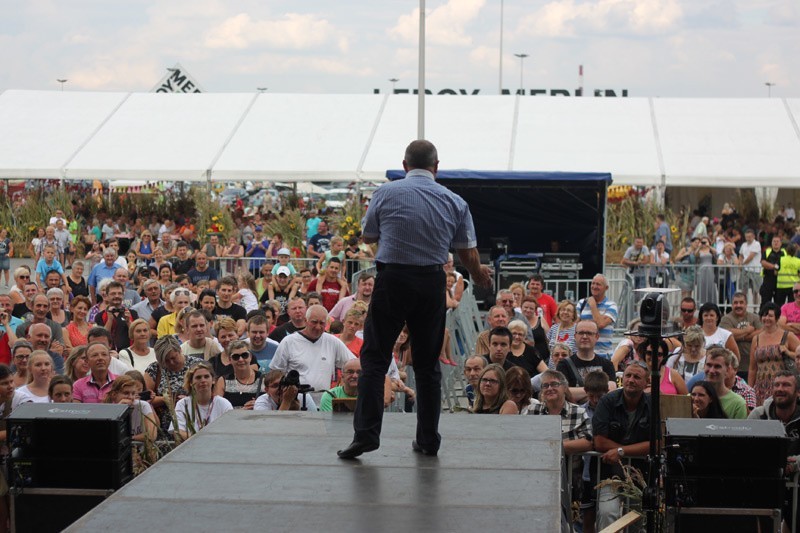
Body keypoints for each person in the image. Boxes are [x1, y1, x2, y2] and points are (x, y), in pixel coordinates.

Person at [339, 140, 492, 460]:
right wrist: (478, 276)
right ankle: (428, 438)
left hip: (393, 278)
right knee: (426, 365)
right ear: (436, 167)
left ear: (405, 165)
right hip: (430, 282)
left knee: (375, 359)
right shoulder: (454, 201)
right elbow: (467, 251)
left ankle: (366, 434)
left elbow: (368, 236)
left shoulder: (386, 193)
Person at [592, 361, 651, 529]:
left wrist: (621, 451)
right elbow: (599, 441)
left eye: (637, 377)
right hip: (609, 475)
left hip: (640, 476)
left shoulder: (652, 404)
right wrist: (635, 449)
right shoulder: (607, 401)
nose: (631, 380)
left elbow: (657, 443)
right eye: (628, 375)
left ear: (646, 382)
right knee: (607, 513)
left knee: (637, 519)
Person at [748, 370, 800, 531]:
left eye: (786, 385)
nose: (780, 389)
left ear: (798, 393)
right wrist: (773, 462)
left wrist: (797, 463)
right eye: (776, 385)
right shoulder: (759, 415)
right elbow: (745, 446)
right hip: (765, 479)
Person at [270, 305, 355, 392]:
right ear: (306, 321)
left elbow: (353, 364)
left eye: (322, 323)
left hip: (323, 401)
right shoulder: (289, 341)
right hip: (295, 401)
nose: (318, 327)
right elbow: (275, 373)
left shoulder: (333, 342)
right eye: (314, 322)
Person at [144, 336, 204, 434]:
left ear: (179, 350)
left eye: (173, 357)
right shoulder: (154, 369)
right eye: (166, 361)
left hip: (194, 426)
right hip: (164, 430)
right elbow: (145, 401)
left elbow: (208, 394)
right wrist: (165, 399)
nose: (171, 362)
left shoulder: (197, 365)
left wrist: (189, 400)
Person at [749, 302, 800, 406]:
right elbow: (752, 368)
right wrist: (750, 390)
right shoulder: (756, 339)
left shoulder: (787, 336)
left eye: (770, 315)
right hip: (761, 386)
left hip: (781, 386)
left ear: (777, 318)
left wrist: (788, 352)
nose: (766, 318)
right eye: (764, 315)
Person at [556, 321, 616, 404]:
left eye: (589, 333)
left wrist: (577, 393)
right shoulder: (564, 364)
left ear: (597, 337)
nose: (584, 336)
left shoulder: (607, 364)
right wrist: (600, 391)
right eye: (581, 333)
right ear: (575, 336)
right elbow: (563, 392)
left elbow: (612, 390)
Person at [171, 362, 233, 441]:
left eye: (206, 376)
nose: (203, 380)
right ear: (190, 382)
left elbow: (230, 431)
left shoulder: (223, 403)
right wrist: (199, 440)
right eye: (198, 377)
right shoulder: (183, 404)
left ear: (213, 380)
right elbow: (178, 431)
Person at [104, 374, 158, 443]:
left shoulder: (143, 406)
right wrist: (119, 410)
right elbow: (108, 437)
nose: (130, 397)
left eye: (133, 393)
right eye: (126, 393)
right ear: (114, 395)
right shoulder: (108, 410)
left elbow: (152, 435)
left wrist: (128, 439)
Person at [576, 274, 617, 359]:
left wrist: (593, 305)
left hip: (603, 355)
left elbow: (600, 324)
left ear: (606, 288)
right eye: (593, 283)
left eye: (598, 284)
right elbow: (576, 327)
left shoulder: (611, 305)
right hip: (584, 355)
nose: (594, 286)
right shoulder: (581, 303)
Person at [214, 340, 261, 409]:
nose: (241, 359)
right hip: (232, 419)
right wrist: (241, 411)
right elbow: (217, 409)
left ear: (250, 357)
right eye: (236, 357)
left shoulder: (263, 379)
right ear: (230, 360)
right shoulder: (223, 381)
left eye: (245, 355)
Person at [703, 346, 747, 419]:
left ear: (727, 370)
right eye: (709, 365)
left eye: (717, 366)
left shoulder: (738, 404)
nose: (711, 370)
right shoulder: (693, 398)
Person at [253, 369, 319, 411]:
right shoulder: (262, 402)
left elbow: (315, 424)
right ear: (267, 390)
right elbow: (271, 427)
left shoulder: (304, 397)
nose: (280, 388)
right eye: (275, 385)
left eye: (283, 384)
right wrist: (287, 401)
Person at [519, 296, 550, 361]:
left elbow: (549, 339)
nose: (528, 310)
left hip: (543, 359)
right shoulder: (516, 322)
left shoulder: (540, 320)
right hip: (524, 359)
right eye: (526, 307)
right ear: (521, 307)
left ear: (535, 310)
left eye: (531, 308)